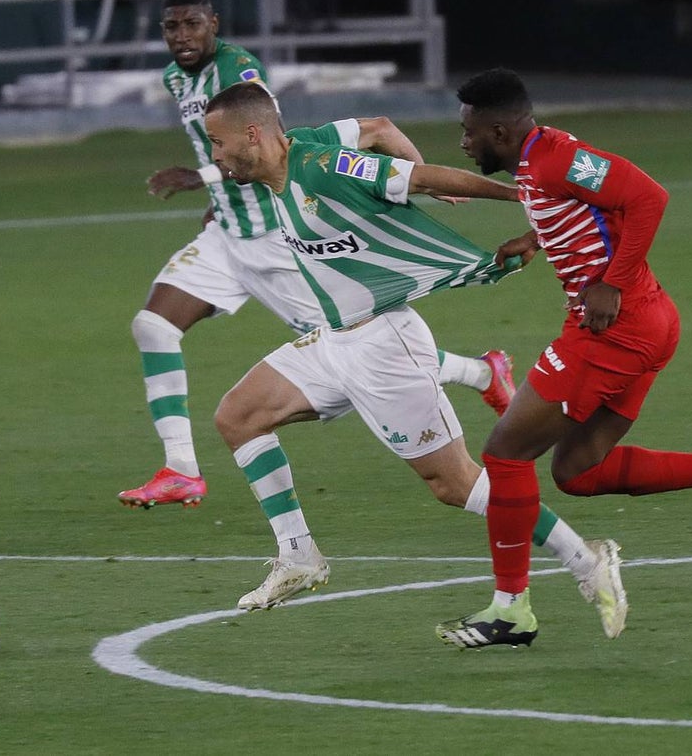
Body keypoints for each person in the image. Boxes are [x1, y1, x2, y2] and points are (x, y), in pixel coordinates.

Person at [159, 81, 628, 622]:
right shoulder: (293, 150)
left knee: (454, 484)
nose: (215, 157)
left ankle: (585, 558)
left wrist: (522, 197)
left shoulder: (324, 168)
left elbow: (419, 179)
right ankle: (298, 555)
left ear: (252, 134)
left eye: (217, 144)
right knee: (238, 416)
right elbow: (376, 127)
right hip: (334, 340)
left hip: (385, 344)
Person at [118, 0, 516, 510]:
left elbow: (268, 140)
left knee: (351, 344)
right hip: (227, 234)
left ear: (214, 23)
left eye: (193, 24)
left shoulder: (238, 70)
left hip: (278, 237)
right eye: (172, 27)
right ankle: (181, 470)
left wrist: (203, 175)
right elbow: (230, 147)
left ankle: (482, 373)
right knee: (154, 325)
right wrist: (219, 192)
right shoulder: (175, 78)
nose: (183, 36)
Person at [435, 68, 692, 649]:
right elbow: (583, 210)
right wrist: (536, 240)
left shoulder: (556, 160)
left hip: (612, 330)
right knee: (577, 472)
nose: (464, 143)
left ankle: (511, 610)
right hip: (646, 323)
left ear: (498, 128)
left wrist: (610, 283)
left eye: (469, 132)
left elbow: (647, 197)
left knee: (504, 454)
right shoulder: (544, 157)